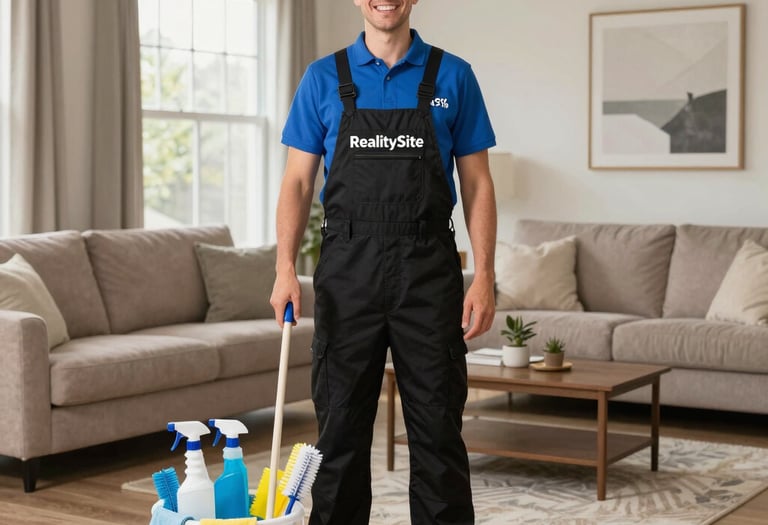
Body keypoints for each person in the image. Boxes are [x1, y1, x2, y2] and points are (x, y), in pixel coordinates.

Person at [270, 1, 497, 523]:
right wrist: (285, 267)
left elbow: (478, 183)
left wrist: (484, 274)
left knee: (437, 430)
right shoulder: (323, 77)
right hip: (348, 273)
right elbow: (298, 181)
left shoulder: (454, 76)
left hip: (429, 271)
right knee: (340, 433)